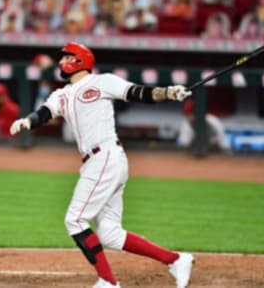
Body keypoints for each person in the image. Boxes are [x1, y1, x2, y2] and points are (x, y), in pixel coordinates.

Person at [10, 42, 194, 288]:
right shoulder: (61, 94)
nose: (61, 62)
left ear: (79, 60)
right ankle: (176, 260)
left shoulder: (103, 81)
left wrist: (170, 92)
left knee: (75, 220)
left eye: (66, 57)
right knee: (110, 233)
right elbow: (43, 113)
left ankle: (108, 282)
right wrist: (26, 121)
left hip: (105, 156)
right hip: (96, 162)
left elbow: (139, 92)